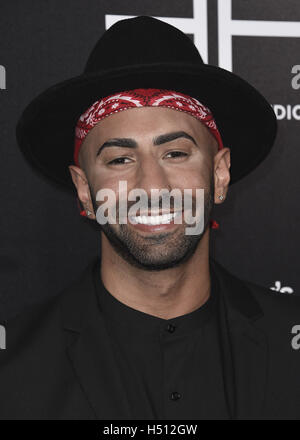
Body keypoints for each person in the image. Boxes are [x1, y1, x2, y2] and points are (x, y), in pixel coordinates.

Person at [1, 15, 299, 420]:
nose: (151, 185)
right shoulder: (13, 368)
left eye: (175, 153)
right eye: (120, 159)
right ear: (85, 190)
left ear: (219, 174)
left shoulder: (290, 344)